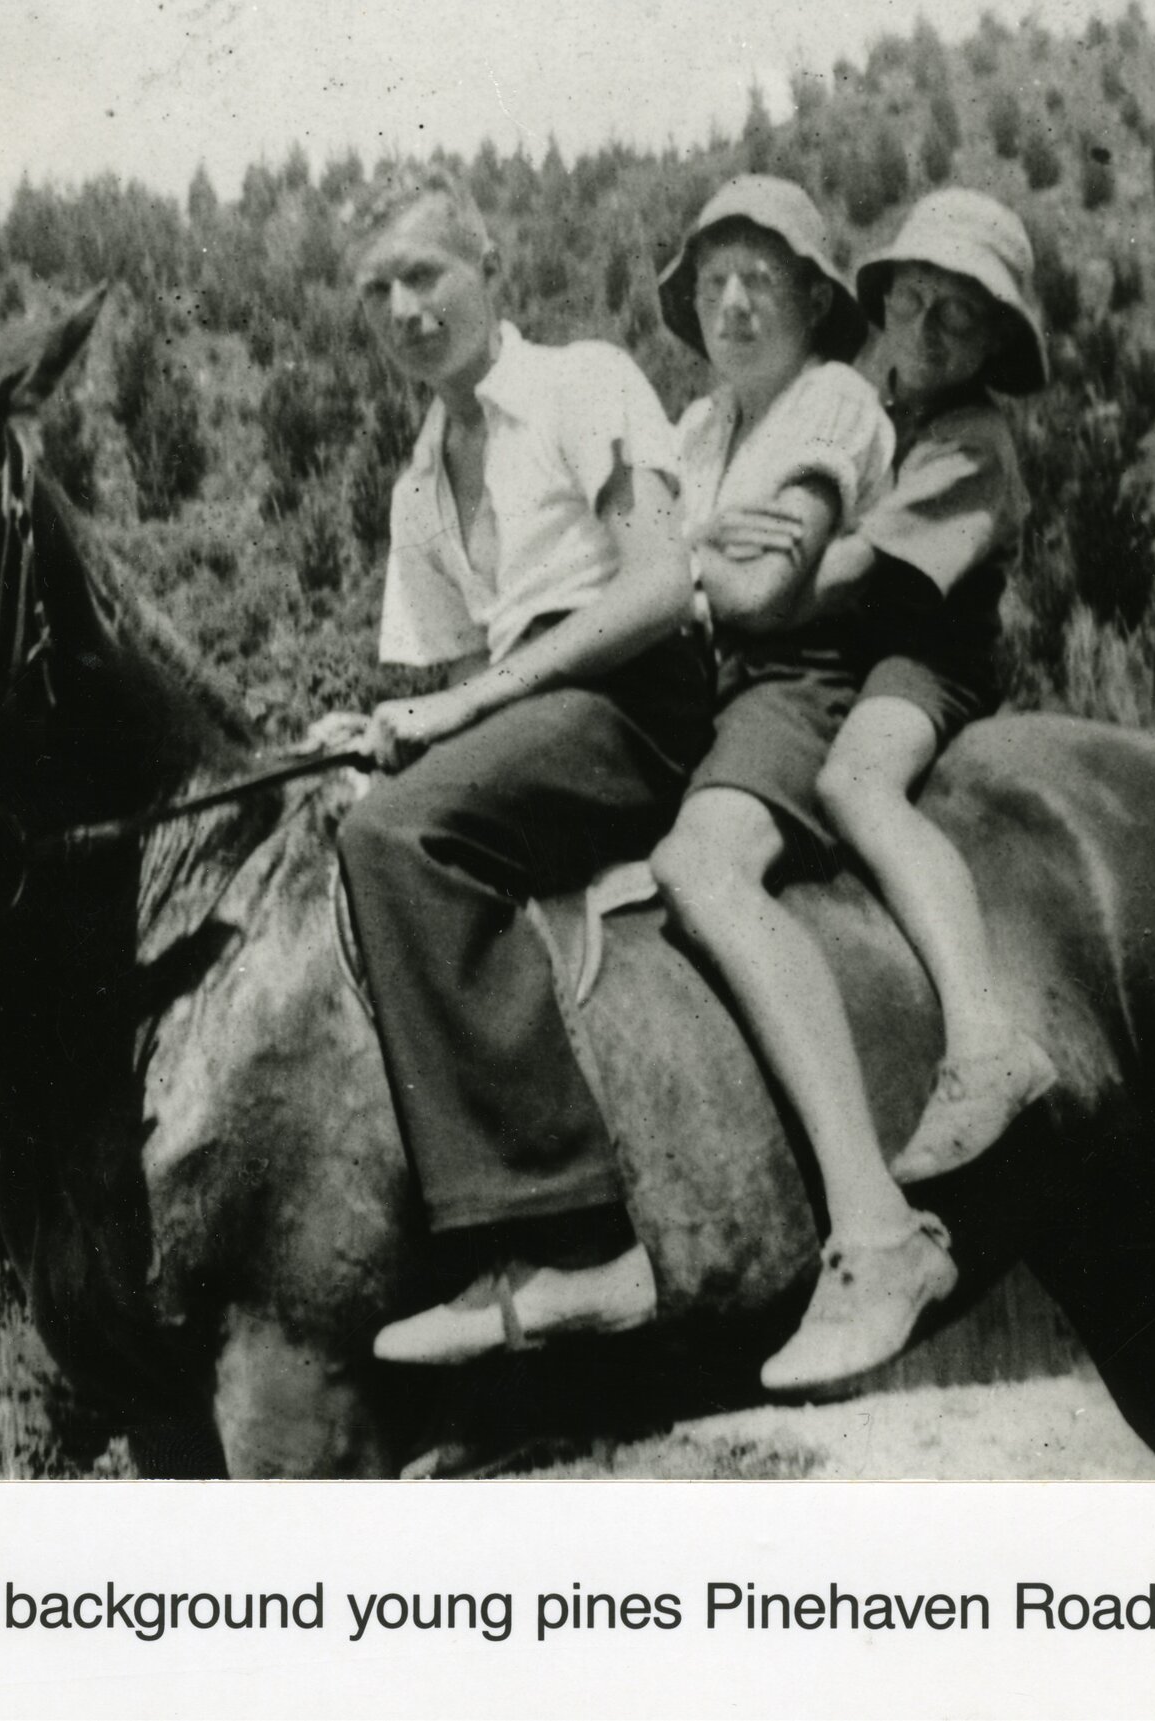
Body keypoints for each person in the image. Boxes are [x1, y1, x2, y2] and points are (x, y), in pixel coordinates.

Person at [661, 184, 1056, 1394]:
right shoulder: (880, 410)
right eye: (913, 303)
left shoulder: (970, 439)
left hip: (922, 658)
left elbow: (857, 575)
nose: (927, 329)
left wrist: (745, 569)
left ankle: (985, 1036)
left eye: (958, 317)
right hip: (867, 647)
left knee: (858, 784)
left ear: (995, 344)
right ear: (878, 310)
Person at [337, 164, 712, 1367]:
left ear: (489, 265)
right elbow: (429, 681)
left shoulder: (579, 381)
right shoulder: (413, 486)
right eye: (377, 290)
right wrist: (361, 734)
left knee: (393, 837)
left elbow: (659, 586)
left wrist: (473, 707)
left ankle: (576, 1236)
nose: (402, 310)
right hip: (523, 715)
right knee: (343, 819)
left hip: (633, 694)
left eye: (424, 275)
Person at [645, 175, 948, 1396]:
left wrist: (697, 556)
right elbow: (680, 567)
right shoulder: (694, 431)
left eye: (759, 281)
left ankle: (873, 1225)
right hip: (703, 681)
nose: (730, 302)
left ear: (813, 303)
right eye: (711, 281)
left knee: (701, 866)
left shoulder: (831, 402)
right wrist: (707, 552)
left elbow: (769, 589)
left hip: (802, 677)